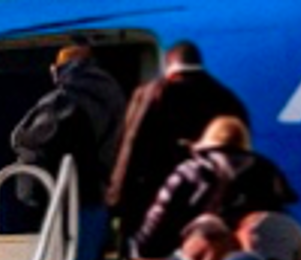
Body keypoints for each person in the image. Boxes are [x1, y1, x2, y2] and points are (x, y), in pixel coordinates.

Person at [10, 41, 128, 260]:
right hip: (96, 197)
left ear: (60, 68)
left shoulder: (65, 99)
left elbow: (27, 137)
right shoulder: (113, 94)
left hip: (67, 198)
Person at [107, 41, 250, 243]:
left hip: (155, 203)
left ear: (169, 68)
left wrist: (116, 198)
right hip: (213, 207)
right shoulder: (229, 100)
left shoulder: (153, 94)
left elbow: (131, 145)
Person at [129, 117, 299, 260]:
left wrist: (140, 252)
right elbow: (279, 230)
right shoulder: (267, 174)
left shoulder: (189, 171)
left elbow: (154, 229)